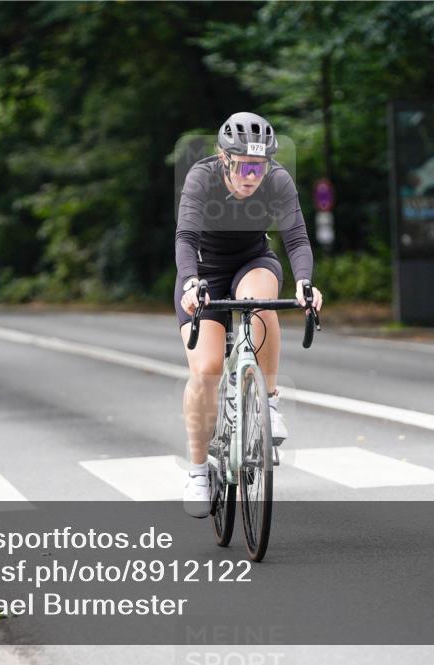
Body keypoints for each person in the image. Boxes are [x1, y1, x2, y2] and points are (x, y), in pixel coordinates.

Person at [175, 112, 323, 517]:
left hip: (252, 262)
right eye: (243, 165)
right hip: (203, 272)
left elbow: (295, 237)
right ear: (224, 159)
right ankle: (198, 469)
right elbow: (186, 236)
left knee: (260, 304)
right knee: (205, 370)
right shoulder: (201, 179)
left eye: (259, 165)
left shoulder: (276, 181)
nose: (252, 175)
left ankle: (269, 403)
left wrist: (305, 282)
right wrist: (190, 283)